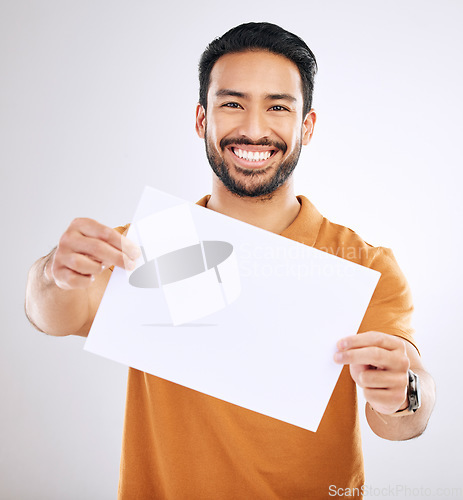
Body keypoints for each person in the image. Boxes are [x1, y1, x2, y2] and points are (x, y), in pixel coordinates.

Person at [25, 22, 435, 499]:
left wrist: (404, 394)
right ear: (202, 119)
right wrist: (56, 271)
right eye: (232, 103)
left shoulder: (364, 266)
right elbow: (49, 316)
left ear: (307, 126)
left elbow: (403, 420)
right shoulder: (143, 248)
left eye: (278, 107)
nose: (255, 129)